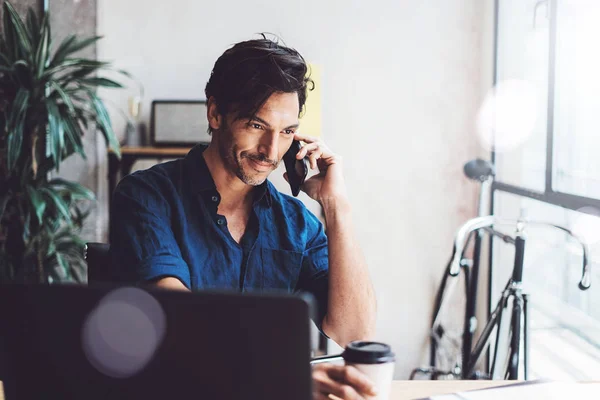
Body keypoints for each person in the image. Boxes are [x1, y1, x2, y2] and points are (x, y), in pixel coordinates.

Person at [110, 36, 378, 399]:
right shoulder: (147, 196)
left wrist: (336, 207)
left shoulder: (296, 223)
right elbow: (179, 320)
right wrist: (282, 376)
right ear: (215, 113)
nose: (271, 151)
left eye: (286, 132)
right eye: (256, 125)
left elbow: (354, 331)